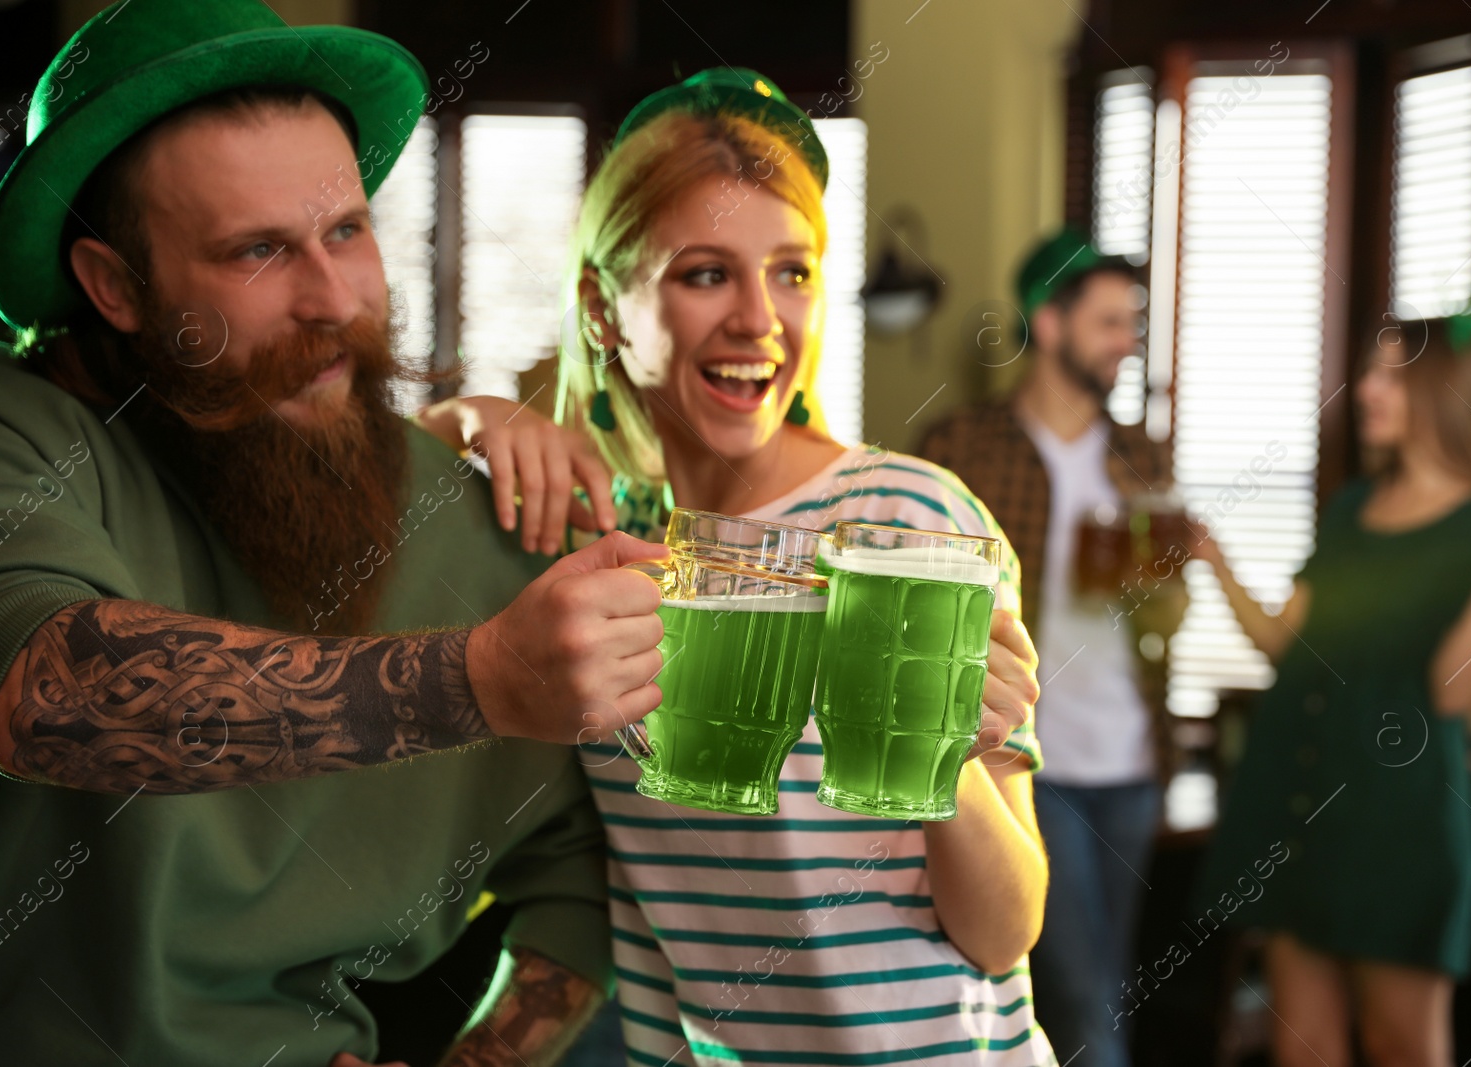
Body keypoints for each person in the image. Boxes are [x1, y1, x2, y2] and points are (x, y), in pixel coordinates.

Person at [0, 1, 670, 1062]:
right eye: (258, 251)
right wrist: (474, 681)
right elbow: (48, 692)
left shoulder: (472, 505)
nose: (335, 299)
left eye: (347, 230)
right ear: (114, 286)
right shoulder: (20, 435)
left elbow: (590, 868)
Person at [427, 68, 1055, 1065]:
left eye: (792, 271)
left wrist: (951, 767)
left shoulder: (911, 519)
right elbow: (381, 544)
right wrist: (464, 415)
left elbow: (1003, 928)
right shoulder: (593, 546)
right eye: (705, 272)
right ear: (602, 306)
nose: (759, 317)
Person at [1189, 315, 1471, 1067]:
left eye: (1390, 375)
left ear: (1443, 391)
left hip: (1398, 830)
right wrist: (1214, 561)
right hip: (1296, 808)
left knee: (1400, 1047)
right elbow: (1287, 645)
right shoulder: (1351, 509)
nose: (1368, 391)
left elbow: (1459, 698)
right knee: (1303, 1049)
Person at [916, 228, 1185, 1066]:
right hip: (1029, 765)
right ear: (1052, 320)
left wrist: (1167, 575)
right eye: (1110, 321)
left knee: (1109, 983)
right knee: (1078, 995)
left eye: (1132, 322)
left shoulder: (1141, 454)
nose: (1126, 341)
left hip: (1130, 762)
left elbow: (1168, 621)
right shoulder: (958, 452)